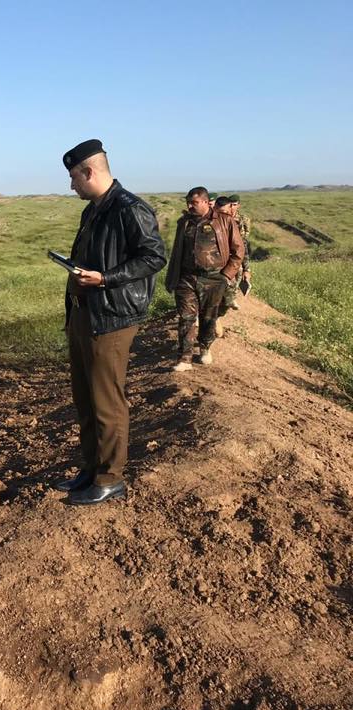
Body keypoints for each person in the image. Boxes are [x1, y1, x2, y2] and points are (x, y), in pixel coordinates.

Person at [54, 139, 166, 505]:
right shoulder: (94, 209)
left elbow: (153, 257)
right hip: (85, 313)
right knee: (85, 398)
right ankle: (91, 469)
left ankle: (110, 478)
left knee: (106, 402)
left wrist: (105, 279)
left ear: (89, 171)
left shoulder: (130, 208)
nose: (71, 185)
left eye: (73, 177)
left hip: (112, 317)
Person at [165, 188, 244, 371]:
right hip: (187, 278)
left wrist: (226, 275)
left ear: (206, 202)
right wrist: (172, 277)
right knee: (186, 317)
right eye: (188, 202)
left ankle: (205, 347)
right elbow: (176, 252)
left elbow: (238, 250)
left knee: (208, 317)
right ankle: (184, 358)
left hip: (214, 279)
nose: (189, 206)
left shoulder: (224, 221)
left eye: (194, 203)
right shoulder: (184, 222)